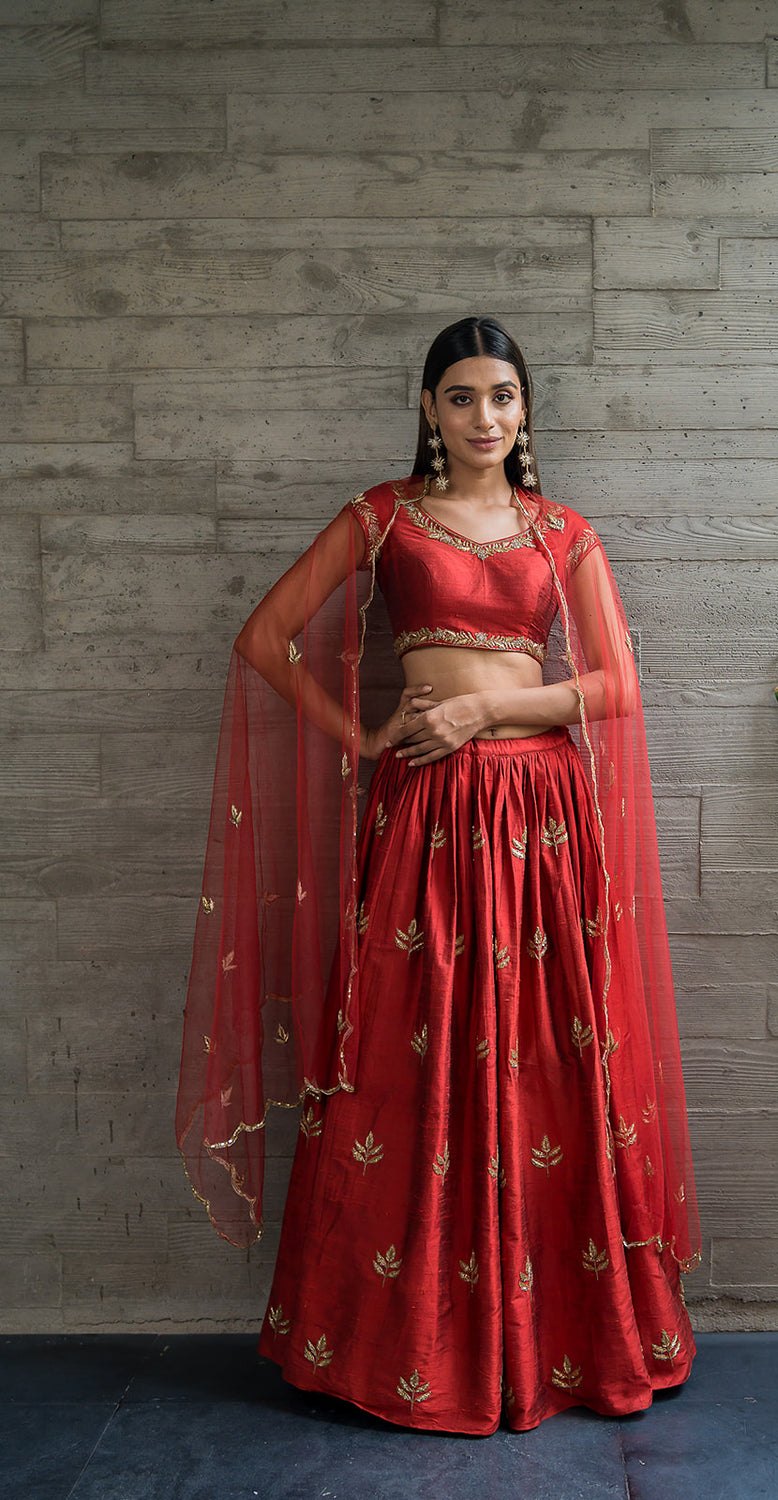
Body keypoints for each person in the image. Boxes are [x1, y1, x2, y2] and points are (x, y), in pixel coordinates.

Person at [177, 316, 700, 1436]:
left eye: (502, 396)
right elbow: (264, 638)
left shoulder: (564, 533)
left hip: (539, 820)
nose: (483, 418)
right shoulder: (382, 516)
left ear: (526, 410)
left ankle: (566, 1342)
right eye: (460, 397)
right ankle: (392, 1346)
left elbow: (615, 688)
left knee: (550, 1060)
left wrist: (486, 707)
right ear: (428, 410)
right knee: (401, 1059)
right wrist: (360, 740)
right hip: (424, 817)